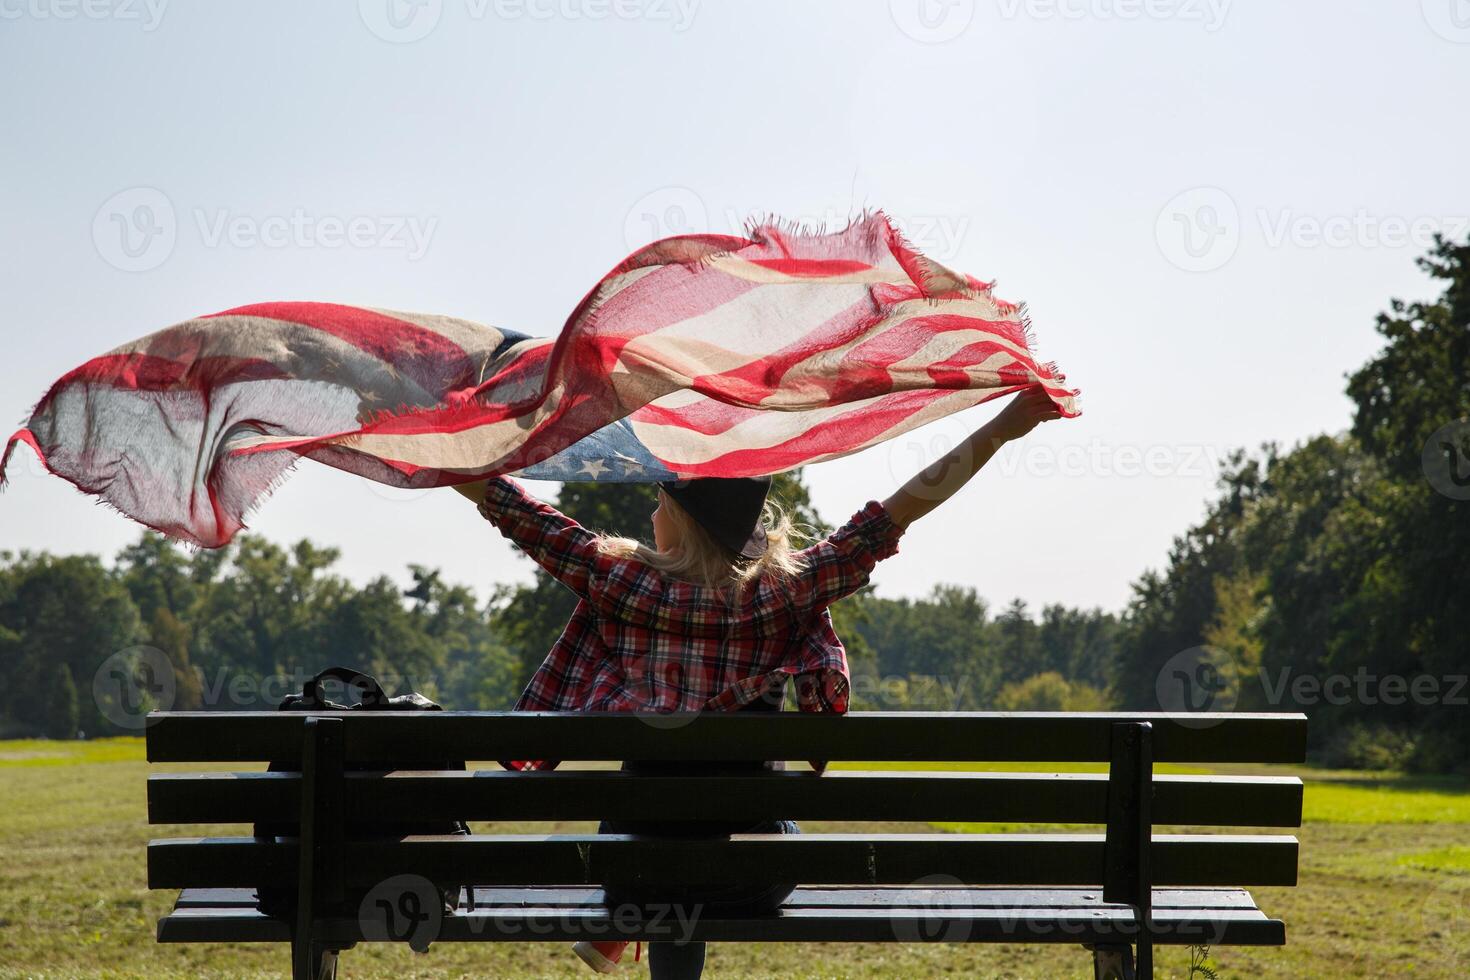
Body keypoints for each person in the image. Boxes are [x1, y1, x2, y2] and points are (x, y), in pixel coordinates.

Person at [452, 387, 1061, 978]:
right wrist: (1003, 428)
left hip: (633, 870)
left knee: (648, 826)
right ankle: (638, 910)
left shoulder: (618, 579)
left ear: (684, 521)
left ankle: (622, 925)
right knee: (743, 826)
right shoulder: (785, 592)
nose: (652, 512)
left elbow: (510, 507)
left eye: (662, 504)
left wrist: (422, 437)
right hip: (753, 874)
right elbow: (898, 510)